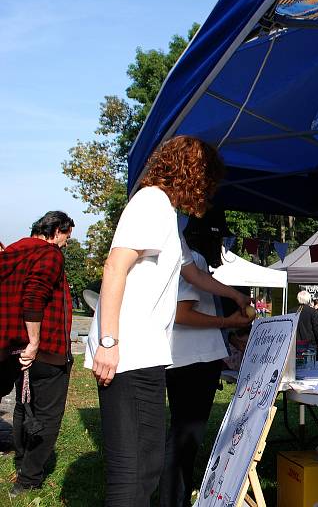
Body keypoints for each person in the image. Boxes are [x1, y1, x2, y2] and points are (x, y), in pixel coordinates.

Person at [84, 135, 248, 506]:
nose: (209, 192)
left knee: (148, 466)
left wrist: (234, 295)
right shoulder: (150, 203)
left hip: (148, 355)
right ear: (194, 173)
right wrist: (108, 343)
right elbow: (114, 267)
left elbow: (194, 275)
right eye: (208, 181)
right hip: (126, 355)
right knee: (131, 471)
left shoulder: (170, 217)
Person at [159, 210, 253, 507]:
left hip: (187, 361)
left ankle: (176, 496)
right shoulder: (194, 261)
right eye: (219, 239)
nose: (222, 248)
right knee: (184, 439)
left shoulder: (191, 263)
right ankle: (173, 500)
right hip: (193, 364)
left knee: (184, 437)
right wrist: (229, 324)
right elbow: (183, 314)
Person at [0, 211, 74, 496]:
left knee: (23, 405)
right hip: (44, 349)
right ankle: (28, 479)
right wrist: (34, 341)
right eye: (67, 236)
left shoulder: (13, 251)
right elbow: (33, 297)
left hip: (15, 349)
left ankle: (22, 463)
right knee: (48, 414)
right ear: (56, 230)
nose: (66, 243)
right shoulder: (49, 254)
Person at [296, 290, 318, 358]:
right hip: (309, 344)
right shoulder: (312, 311)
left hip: (296, 344)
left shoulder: (292, 311)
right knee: (310, 366)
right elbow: (317, 328)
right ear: (308, 299)